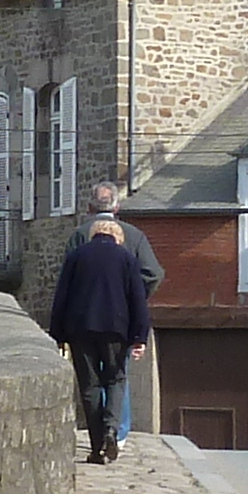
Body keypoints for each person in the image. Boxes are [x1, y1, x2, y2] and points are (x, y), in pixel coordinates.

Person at [47, 214, 150, 466]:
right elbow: (138, 300)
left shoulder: (76, 257)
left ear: (94, 235)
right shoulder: (126, 258)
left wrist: (57, 334)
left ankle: (96, 448)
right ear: (117, 238)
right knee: (115, 380)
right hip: (117, 329)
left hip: (80, 330)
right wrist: (140, 337)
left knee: (90, 386)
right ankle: (111, 431)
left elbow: (61, 297)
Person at [86, 183, 160, 443]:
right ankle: (117, 431)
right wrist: (133, 300)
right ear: (117, 208)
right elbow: (153, 273)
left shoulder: (79, 236)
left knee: (91, 381)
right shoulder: (134, 236)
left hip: (85, 320)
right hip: (121, 320)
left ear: (89, 208)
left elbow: (66, 281)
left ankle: (97, 432)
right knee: (118, 376)